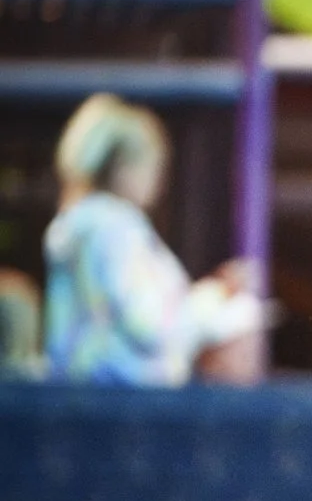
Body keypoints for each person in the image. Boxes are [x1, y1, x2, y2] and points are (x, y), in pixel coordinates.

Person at [44, 94, 262, 386]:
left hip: (87, 393)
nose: (158, 179)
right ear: (125, 167)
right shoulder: (115, 229)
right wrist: (214, 302)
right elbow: (150, 324)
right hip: (125, 397)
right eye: (154, 165)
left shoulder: (80, 225)